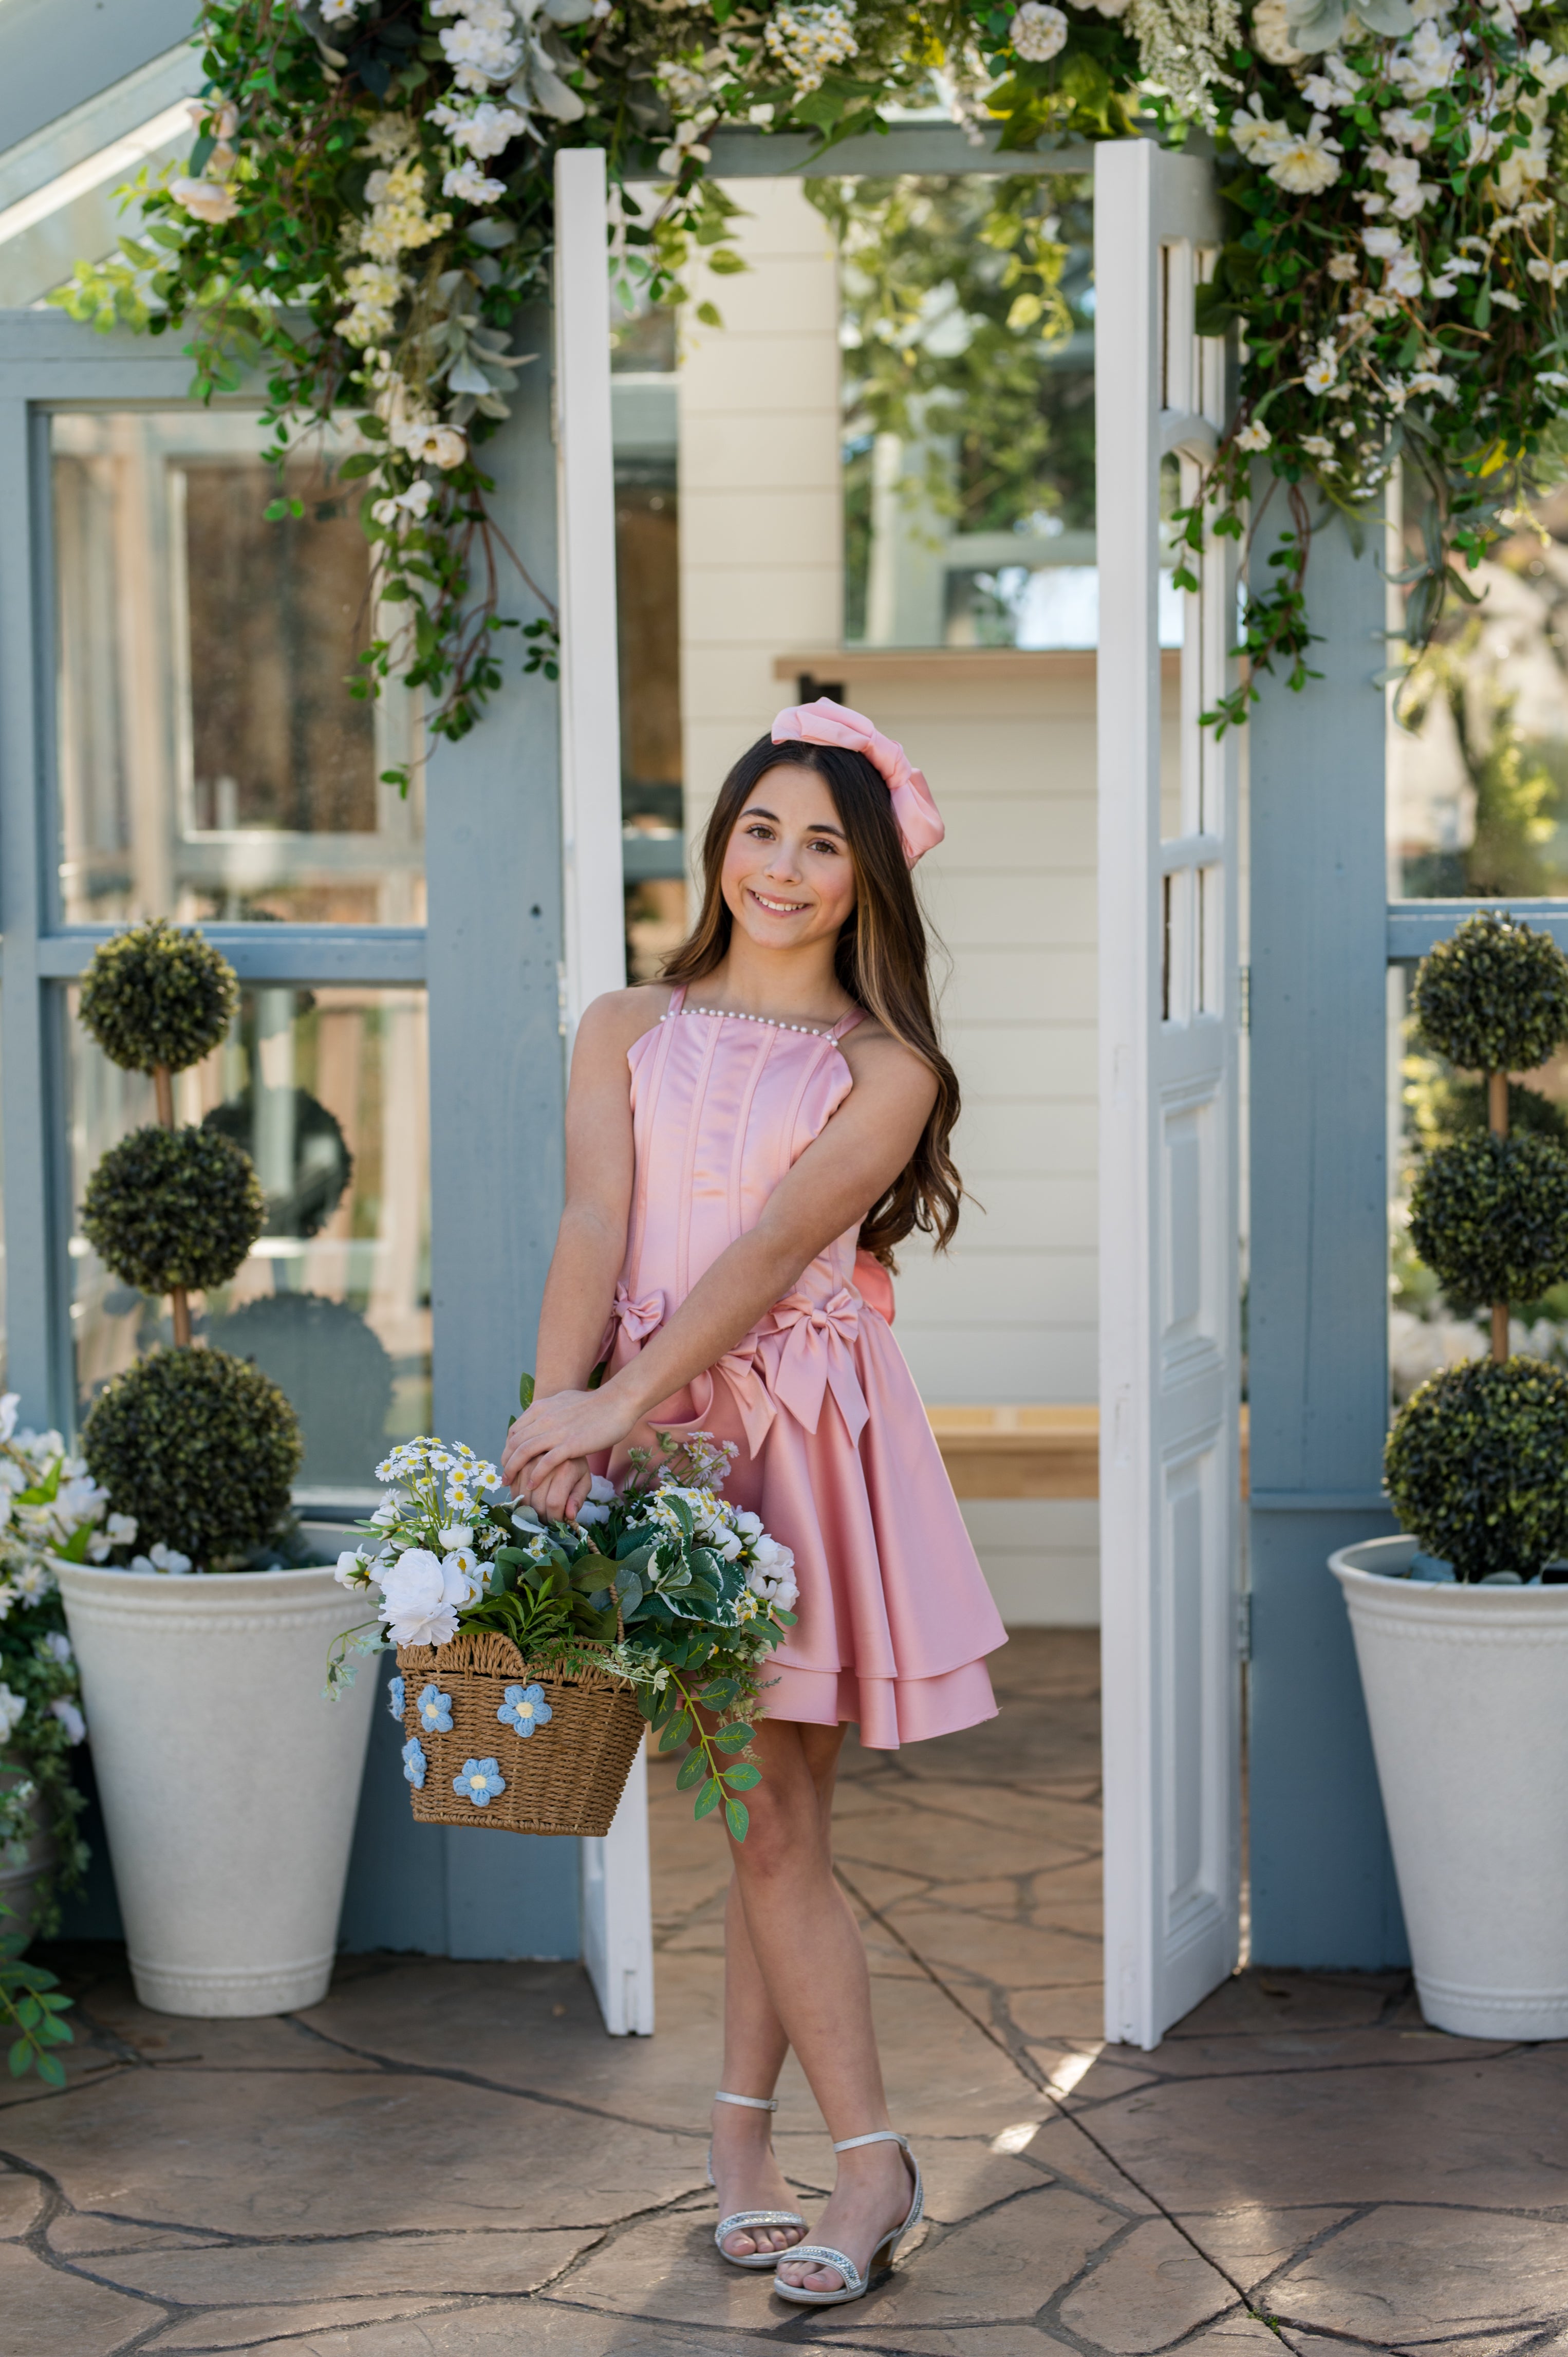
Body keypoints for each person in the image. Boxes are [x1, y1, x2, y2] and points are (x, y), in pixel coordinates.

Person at [502, 697, 1008, 2309]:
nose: (783, 868)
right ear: (718, 842)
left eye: (822, 844)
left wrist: (619, 1401)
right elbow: (597, 1214)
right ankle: (741, 2146)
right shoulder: (620, 1023)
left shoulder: (889, 1069)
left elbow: (775, 1248)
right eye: (759, 830)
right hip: (648, 1430)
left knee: (767, 1812)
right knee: (754, 1813)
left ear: (867, 880)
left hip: (791, 1442)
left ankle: (868, 2167)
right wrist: (554, 1408)